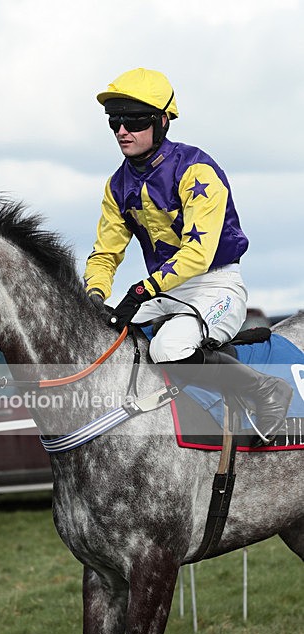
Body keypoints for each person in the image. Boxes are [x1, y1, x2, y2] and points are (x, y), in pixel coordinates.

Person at [84, 67, 292, 446]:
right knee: (104, 339)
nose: (121, 131)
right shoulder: (117, 185)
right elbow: (105, 253)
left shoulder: (196, 169)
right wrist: (95, 296)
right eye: (115, 121)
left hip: (215, 284)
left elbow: (198, 253)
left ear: (163, 121)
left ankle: (266, 389)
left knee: (168, 348)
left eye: (134, 120)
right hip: (164, 292)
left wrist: (143, 290)